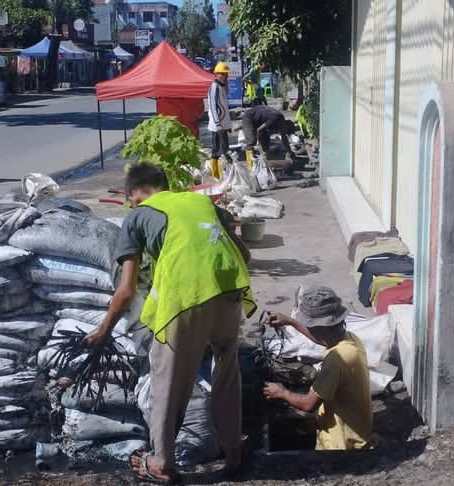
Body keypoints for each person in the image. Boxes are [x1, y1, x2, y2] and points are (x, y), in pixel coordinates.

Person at [82, 163, 255, 484]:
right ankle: (234, 455)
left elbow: (126, 290)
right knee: (226, 374)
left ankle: (161, 463)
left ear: (133, 196)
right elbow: (243, 255)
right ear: (164, 185)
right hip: (230, 292)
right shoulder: (202, 202)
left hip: (185, 299)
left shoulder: (137, 216)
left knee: (166, 383)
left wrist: (103, 330)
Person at [263, 286, 373, 451]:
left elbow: (308, 405)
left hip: (341, 447)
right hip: (357, 434)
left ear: (321, 328)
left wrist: (281, 392)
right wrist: (291, 321)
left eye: (311, 325)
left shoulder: (336, 360)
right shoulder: (350, 340)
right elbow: (322, 339)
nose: (311, 328)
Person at [207, 62, 231, 178]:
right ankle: (215, 176)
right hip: (217, 126)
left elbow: (224, 107)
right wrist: (218, 124)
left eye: (226, 74)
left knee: (224, 149)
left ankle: (224, 175)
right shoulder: (214, 87)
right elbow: (212, 106)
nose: (225, 76)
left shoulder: (222, 87)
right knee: (217, 150)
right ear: (216, 74)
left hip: (223, 125)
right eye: (222, 74)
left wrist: (227, 125)